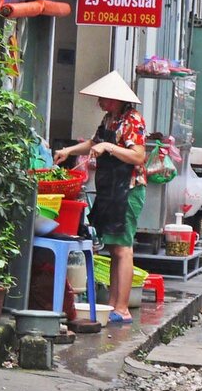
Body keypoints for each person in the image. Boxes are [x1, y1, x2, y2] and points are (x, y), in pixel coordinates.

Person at [54, 71, 147, 325]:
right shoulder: (110, 119)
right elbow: (94, 143)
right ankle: (115, 305)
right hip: (111, 190)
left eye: (103, 98)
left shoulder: (132, 121)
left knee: (124, 249)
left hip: (128, 189)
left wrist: (109, 148)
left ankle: (123, 308)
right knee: (116, 248)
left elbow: (138, 156)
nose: (99, 103)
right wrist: (69, 150)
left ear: (115, 99)